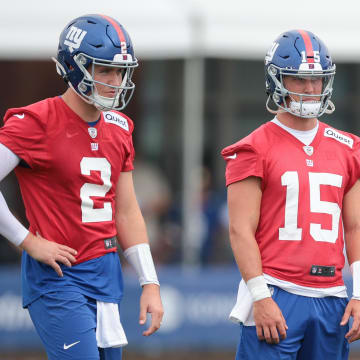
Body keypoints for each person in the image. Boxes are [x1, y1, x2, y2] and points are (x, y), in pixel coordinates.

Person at [0, 14, 163, 360]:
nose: (115, 80)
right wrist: (28, 241)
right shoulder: (36, 122)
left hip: (106, 275)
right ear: (74, 67)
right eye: (104, 70)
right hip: (59, 278)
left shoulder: (119, 126)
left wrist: (150, 281)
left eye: (120, 71)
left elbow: (127, 210)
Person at [222, 29, 360, 359]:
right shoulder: (253, 148)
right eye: (300, 79)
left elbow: (355, 226)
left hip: (331, 295)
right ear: (277, 79)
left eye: (317, 79)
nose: (311, 89)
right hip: (277, 291)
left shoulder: (349, 148)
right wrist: (260, 296)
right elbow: (240, 230)